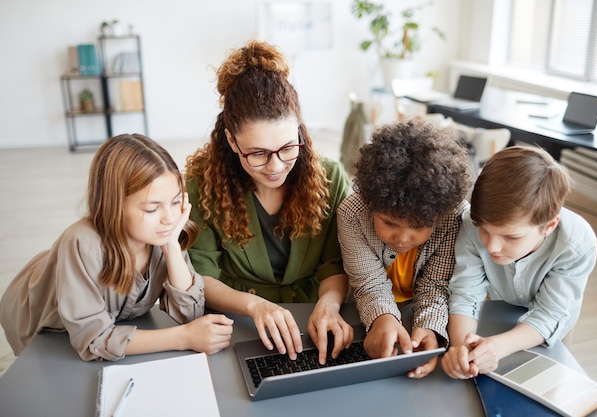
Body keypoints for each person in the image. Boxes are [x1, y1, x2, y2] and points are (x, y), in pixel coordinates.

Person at [185, 40, 352, 364]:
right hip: (238, 326)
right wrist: (254, 306)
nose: (276, 167)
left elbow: (337, 262)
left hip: (315, 319)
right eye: (258, 154)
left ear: (300, 131)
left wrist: (329, 305)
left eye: (288, 147)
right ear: (232, 140)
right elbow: (202, 275)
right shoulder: (202, 183)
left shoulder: (330, 178)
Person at [0, 134, 235, 361]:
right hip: (39, 323)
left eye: (175, 202)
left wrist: (172, 247)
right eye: (152, 209)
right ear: (114, 205)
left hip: (101, 322)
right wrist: (183, 338)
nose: (169, 218)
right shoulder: (81, 242)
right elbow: (93, 340)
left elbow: (189, 314)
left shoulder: (162, 233)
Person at [442, 145, 597, 380]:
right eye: (484, 230)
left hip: (552, 322)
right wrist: (460, 347)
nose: (491, 246)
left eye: (511, 237)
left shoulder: (577, 243)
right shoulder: (470, 222)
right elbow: (465, 294)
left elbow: (550, 315)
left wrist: (497, 347)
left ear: (549, 226)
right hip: (501, 309)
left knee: (551, 377)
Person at [337, 120, 473, 378]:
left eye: (419, 226)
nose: (402, 238)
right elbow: (368, 282)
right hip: (361, 310)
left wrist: (430, 329)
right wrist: (382, 319)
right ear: (370, 202)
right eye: (388, 222)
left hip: (421, 310)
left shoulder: (454, 218)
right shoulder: (353, 213)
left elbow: (436, 284)